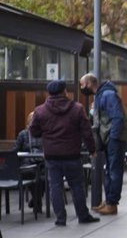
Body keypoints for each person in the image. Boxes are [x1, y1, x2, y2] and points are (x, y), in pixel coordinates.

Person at [29, 80, 99, 226]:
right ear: (64, 92)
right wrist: (92, 150)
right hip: (72, 155)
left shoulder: (40, 110)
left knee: (55, 186)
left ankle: (60, 218)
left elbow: (34, 131)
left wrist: (47, 133)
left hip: (52, 156)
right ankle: (83, 215)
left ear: (49, 93)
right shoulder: (77, 109)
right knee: (77, 186)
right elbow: (87, 132)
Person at [79, 73, 127, 215]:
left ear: (89, 83)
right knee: (109, 171)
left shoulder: (107, 95)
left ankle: (112, 204)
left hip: (114, 139)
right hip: (109, 138)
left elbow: (117, 117)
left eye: (82, 85)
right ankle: (108, 202)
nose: (82, 88)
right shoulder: (101, 95)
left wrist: (113, 138)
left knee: (114, 171)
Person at [15, 111, 44, 210]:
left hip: (41, 162)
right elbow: (15, 150)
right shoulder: (23, 134)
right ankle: (37, 202)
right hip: (27, 164)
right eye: (32, 120)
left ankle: (36, 200)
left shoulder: (43, 134)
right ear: (28, 122)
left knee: (44, 175)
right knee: (34, 175)